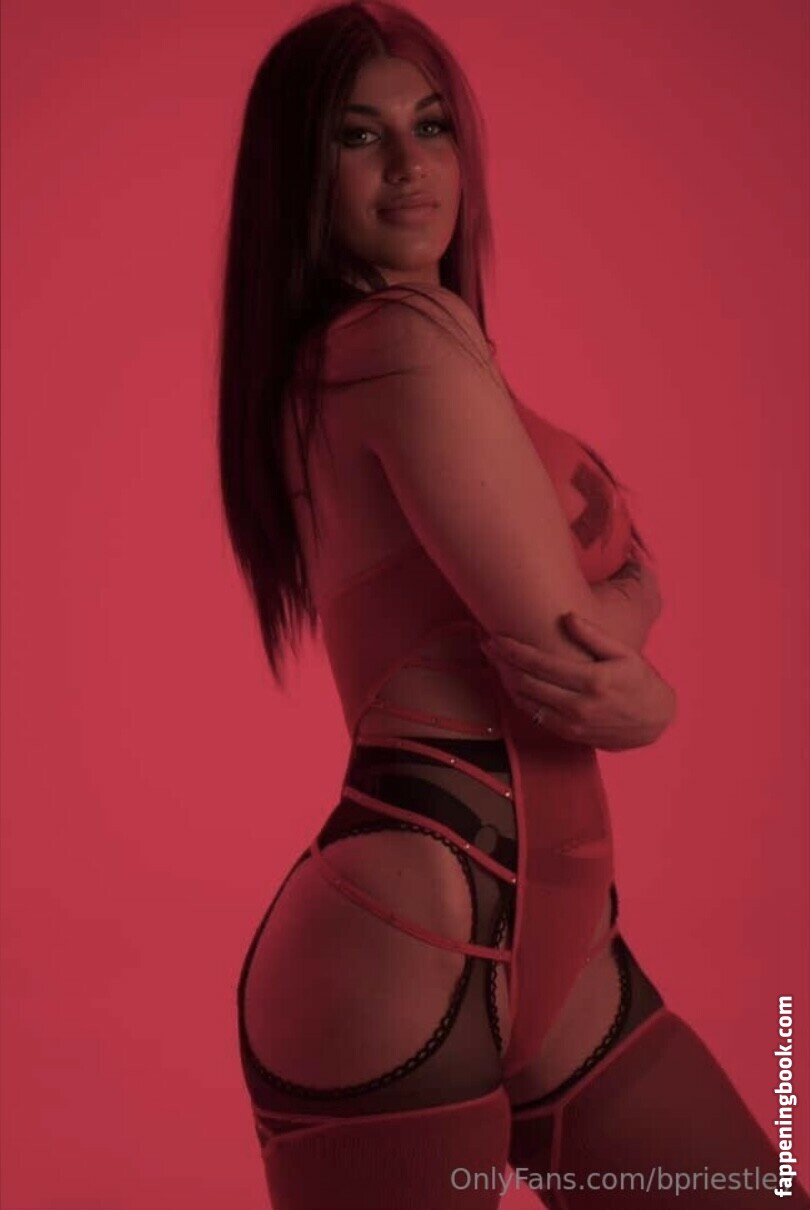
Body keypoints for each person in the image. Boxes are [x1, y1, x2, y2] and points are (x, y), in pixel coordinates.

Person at [218, 3, 809, 1207]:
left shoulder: (418, 349)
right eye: (358, 136)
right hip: (412, 938)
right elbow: (567, 660)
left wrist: (628, 627)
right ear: (300, 178)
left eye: (430, 126)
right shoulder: (398, 340)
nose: (408, 164)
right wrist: (642, 651)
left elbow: (576, 621)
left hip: (554, 949)